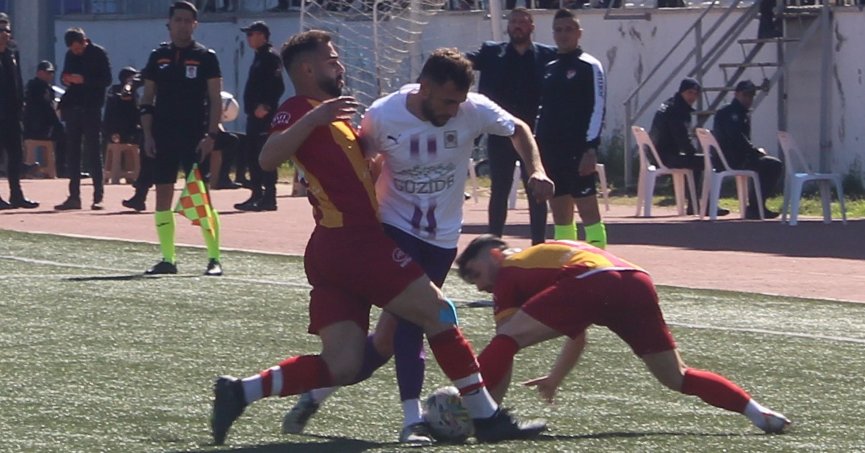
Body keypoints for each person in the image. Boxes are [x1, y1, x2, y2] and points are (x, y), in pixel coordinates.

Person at [209, 30, 548, 446]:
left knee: (345, 363)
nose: (340, 65)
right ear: (307, 69)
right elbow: (266, 157)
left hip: (334, 249)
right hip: (355, 242)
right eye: (332, 59)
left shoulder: (336, 114)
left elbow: (355, 169)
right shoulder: (302, 109)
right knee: (438, 314)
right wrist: (314, 119)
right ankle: (486, 418)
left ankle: (240, 391)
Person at [456, 234, 792, 434]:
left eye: (475, 274)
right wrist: (555, 377)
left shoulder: (509, 271)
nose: (480, 286)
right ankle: (757, 412)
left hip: (593, 279)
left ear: (495, 254)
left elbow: (504, 345)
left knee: (507, 339)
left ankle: (466, 410)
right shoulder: (541, 260)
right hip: (636, 279)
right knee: (676, 376)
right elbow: (577, 333)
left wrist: (480, 409)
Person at [139, 1, 224, 275]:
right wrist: (148, 135)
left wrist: (211, 134)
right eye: (179, 20)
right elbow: (147, 99)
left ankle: (214, 259)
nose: (183, 25)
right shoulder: (158, 56)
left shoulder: (206, 57)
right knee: (163, 194)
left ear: (195, 25)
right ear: (169, 23)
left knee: (201, 196)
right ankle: (168, 259)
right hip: (163, 136)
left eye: (188, 21)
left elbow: (215, 99)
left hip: (195, 137)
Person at [465, 8, 556, 246]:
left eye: (522, 22)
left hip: (534, 134)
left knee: (536, 188)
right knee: (500, 190)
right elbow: (463, 61)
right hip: (500, 133)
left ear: (532, 27)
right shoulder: (492, 52)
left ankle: (538, 244)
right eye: (513, 21)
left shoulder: (548, 55)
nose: (517, 26)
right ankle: (494, 243)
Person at [536, 9, 606, 248]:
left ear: (579, 33)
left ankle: (598, 262)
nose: (563, 34)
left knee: (588, 212)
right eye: (558, 30)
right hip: (551, 151)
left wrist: (591, 148)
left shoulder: (590, 66)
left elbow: (598, 107)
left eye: (569, 29)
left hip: (578, 151)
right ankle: (568, 263)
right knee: (560, 215)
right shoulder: (550, 67)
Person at [649, 77, 729, 217]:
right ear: (682, 92)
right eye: (689, 92)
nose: (693, 97)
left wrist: (692, 154)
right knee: (708, 161)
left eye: (696, 94)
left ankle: (695, 205)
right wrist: (693, 153)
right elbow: (681, 139)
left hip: (657, 155)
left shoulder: (669, 104)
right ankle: (706, 205)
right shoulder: (677, 111)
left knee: (696, 162)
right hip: (665, 156)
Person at [54, 27, 111, 211]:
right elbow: (64, 75)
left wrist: (84, 80)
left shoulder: (98, 53)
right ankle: (74, 196)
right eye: (73, 49)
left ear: (84, 41)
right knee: (72, 152)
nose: (76, 52)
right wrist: (66, 79)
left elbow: (107, 80)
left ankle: (98, 197)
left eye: (78, 48)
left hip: (91, 107)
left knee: (93, 151)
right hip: (73, 106)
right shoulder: (70, 55)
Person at [712, 80, 783, 220]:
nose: (748, 99)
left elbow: (740, 140)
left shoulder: (735, 112)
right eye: (745, 95)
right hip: (733, 159)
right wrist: (756, 152)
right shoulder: (732, 113)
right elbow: (737, 139)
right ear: (736, 94)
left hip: (729, 157)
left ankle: (756, 206)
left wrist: (753, 152)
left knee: (766, 163)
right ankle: (755, 207)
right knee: (774, 165)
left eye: (751, 95)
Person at [234, 20, 285, 212]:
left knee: (265, 156)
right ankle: (256, 194)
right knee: (252, 155)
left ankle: (269, 197)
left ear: (262, 36)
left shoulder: (270, 57)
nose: (248, 38)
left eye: (251, 34)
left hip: (264, 117)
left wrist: (266, 106)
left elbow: (277, 85)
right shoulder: (259, 56)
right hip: (254, 116)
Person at [0, 16, 39, 209]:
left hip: (12, 113)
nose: (4, 34)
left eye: (7, 30)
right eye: (0, 30)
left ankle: (17, 194)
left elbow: (18, 78)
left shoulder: (13, 52)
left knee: (16, 154)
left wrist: (21, 104)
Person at [23, 60, 64, 179]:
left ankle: (55, 169)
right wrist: (57, 124)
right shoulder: (38, 87)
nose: (50, 75)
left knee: (62, 132)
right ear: (39, 73)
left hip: (34, 127)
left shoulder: (41, 87)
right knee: (64, 136)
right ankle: (62, 169)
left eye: (52, 73)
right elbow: (47, 109)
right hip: (36, 128)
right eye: (47, 72)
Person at [102, 66, 142, 183]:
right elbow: (112, 112)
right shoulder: (114, 90)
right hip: (115, 129)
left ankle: (131, 174)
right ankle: (115, 173)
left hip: (130, 128)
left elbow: (136, 111)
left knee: (135, 143)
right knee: (119, 145)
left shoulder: (134, 92)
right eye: (132, 77)